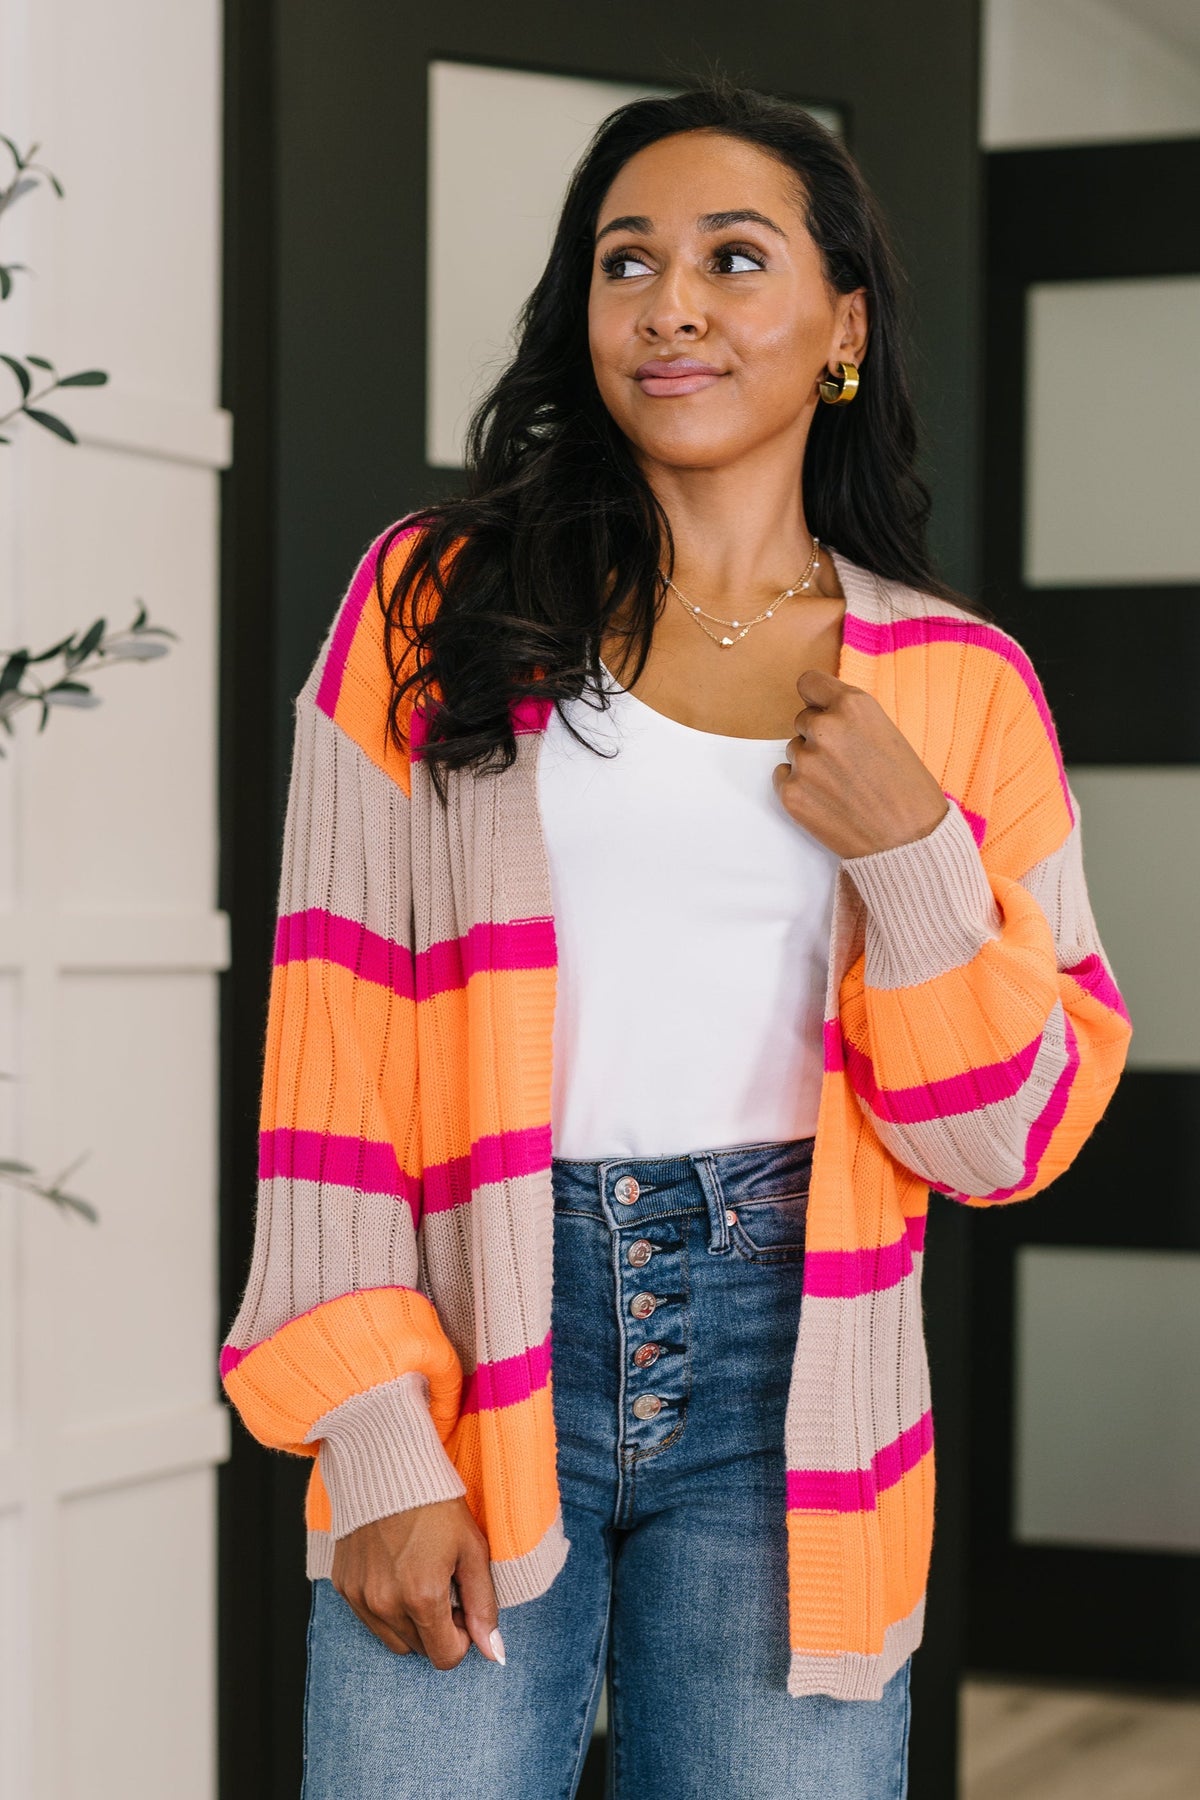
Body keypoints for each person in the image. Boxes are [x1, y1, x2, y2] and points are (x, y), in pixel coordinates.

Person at [219, 81, 1131, 1799]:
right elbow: (329, 1067)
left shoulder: (960, 688)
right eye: (626, 262)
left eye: (734, 257)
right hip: (479, 1328)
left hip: (798, 1373)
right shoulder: (432, 606)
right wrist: (378, 1436)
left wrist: (917, 860)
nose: (672, 304)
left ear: (843, 325)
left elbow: (1004, 1140)